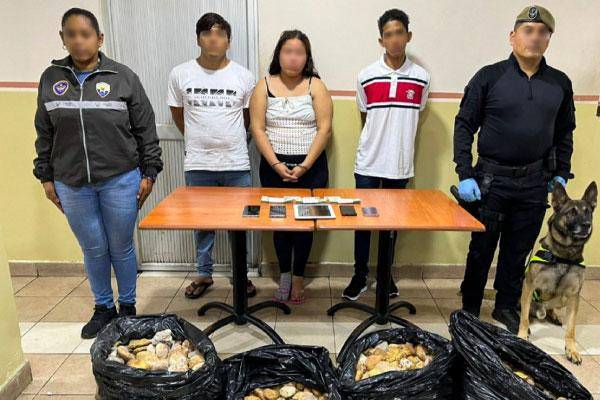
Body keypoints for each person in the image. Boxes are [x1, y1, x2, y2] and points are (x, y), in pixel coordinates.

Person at [33, 8, 163, 338]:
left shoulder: (122, 77)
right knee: (93, 248)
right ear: (63, 38)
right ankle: (103, 307)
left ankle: (128, 307)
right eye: (71, 34)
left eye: (85, 34)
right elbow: (44, 132)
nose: (79, 41)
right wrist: (46, 177)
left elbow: (145, 128)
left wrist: (149, 171)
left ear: (99, 38)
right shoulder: (51, 79)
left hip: (120, 179)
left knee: (121, 247)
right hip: (71, 182)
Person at [454, 5, 575, 333]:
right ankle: (470, 307)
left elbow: (564, 133)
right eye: (527, 30)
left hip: (535, 182)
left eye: (542, 33)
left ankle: (506, 305)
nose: (534, 38)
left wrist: (561, 173)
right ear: (512, 36)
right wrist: (464, 173)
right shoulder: (489, 76)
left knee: (517, 250)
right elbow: (464, 125)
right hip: (491, 181)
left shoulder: (559, 83)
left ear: (548, 40)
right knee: (481, 249)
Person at [168, 12, 257, 299]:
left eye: (220, 33)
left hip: (236, 163)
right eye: (207, 33)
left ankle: (241, 275)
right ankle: (204, 274)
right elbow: (178, 115)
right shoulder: (180, 74)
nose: (213, 38)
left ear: (228, 40)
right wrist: (199, 139)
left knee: (239, 224)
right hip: (198, 163)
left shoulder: (244, 76)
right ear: (198, 39)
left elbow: (248, 119)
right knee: (202, 224)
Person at [343, 9, 430, 301]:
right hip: (368, 163)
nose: (394, 39)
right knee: (362, 223)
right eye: (388, 35)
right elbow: (365, 113)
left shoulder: (421, 78)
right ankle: (359, 275)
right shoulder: (366, 76)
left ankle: (385, 275)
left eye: (399, 33)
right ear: (381, 40)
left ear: (408, 35)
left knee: (391, 226)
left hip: (399, 164)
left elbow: (416, 113)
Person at [250, 30, 333, 304]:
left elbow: (324, 129)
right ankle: (284, 274)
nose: (293, 58)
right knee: (280, 224)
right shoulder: (263, 86)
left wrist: (305, 166)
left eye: (299, 52)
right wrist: (275, 163)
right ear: (279, 54)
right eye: (288, 51)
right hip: (273, 167)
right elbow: (258, 129)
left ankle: (299, 278)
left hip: (311, 168)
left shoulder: (316, 86)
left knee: (305, 226)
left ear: (307, 57)